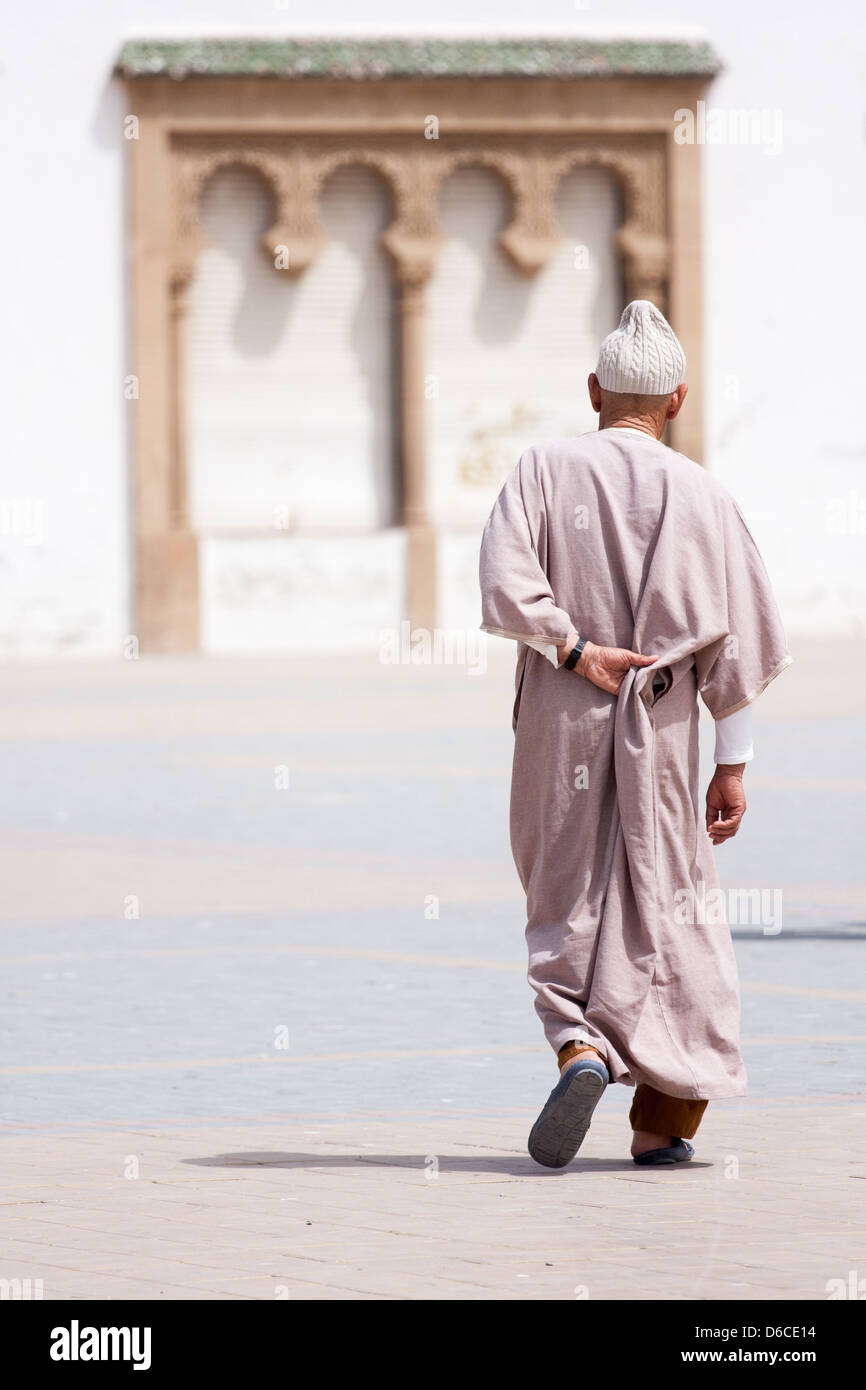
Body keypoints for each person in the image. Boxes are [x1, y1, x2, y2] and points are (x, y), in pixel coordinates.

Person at [478, 300, 791, 1168]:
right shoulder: (705, 495)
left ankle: (579, 1046)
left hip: (560, 721)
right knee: (677, 912)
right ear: (679, 400)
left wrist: (575, 650)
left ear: (593, 391)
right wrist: (731, 766)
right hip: (662, 726)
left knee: (567, 896)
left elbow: (504, 582)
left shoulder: (542, 469)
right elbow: (739, 641)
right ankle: (661, 1124)